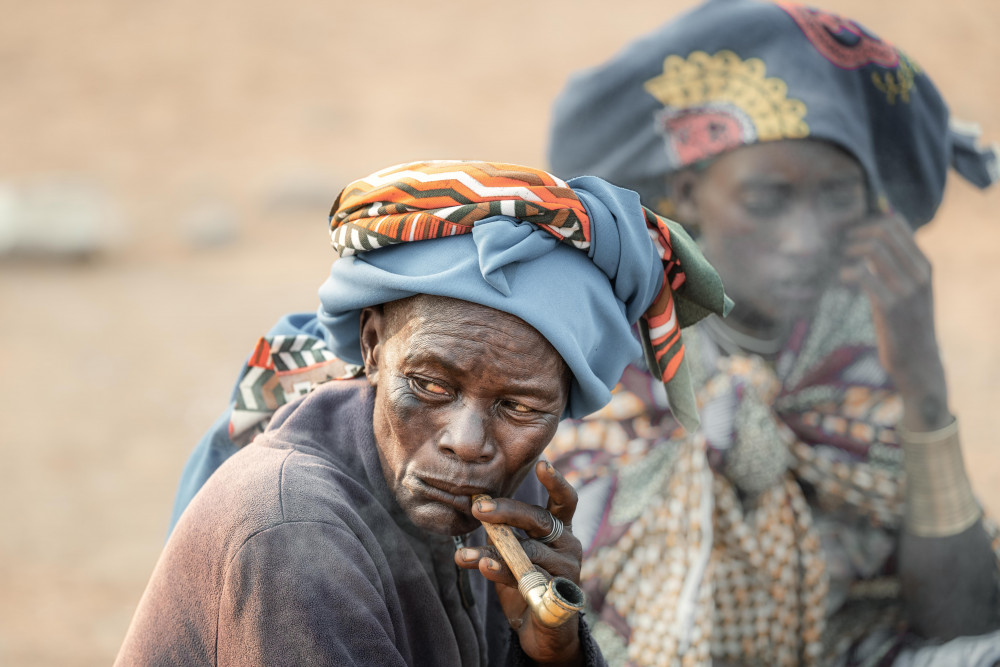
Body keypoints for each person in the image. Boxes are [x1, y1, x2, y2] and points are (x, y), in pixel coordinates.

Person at [117, 160, 729, 665]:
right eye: (431, 386)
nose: (467, 443)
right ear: (372, 347)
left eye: (519, 406)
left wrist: (554, 650)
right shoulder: (294, 533)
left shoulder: (507, 508)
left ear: (563, 408)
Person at [544, 1, 1000, 665]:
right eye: (767, 200)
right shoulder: (615, 333)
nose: (806, 238)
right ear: (689, 193)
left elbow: (960, 618)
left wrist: (924, 386)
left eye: (839, 195)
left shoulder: (866, 337)